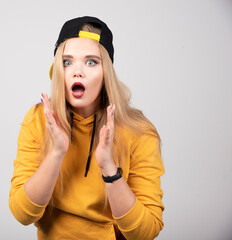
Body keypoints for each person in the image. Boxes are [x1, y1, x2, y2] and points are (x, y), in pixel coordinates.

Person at [9, 16, 164, 240]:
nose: (77, 71)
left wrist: (109, 168)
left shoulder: (139, 131)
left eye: (91, 62)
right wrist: (56, 152)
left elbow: (146, 233)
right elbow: (22, 214)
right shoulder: (38, 120)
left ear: (106, 73)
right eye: (67, 61)